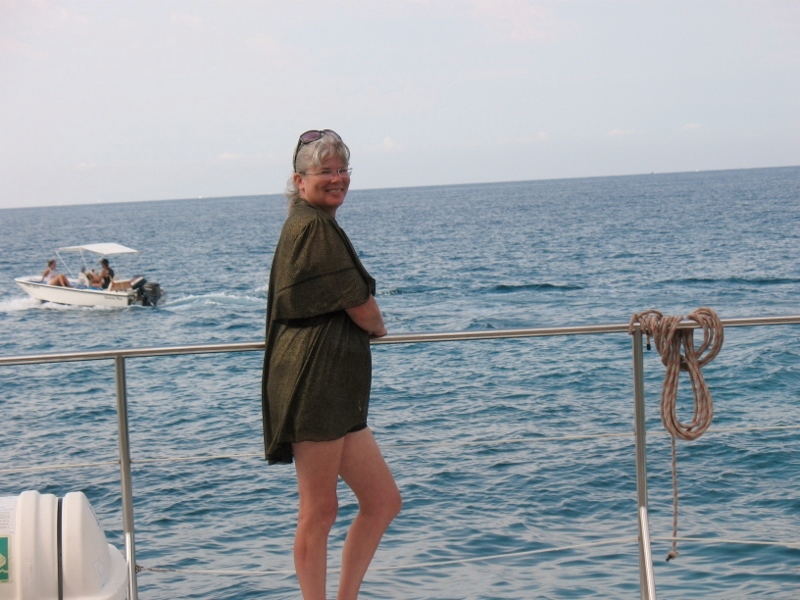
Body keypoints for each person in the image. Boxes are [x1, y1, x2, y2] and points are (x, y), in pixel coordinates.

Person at [261, 129, 401, 600]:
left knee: (382, 501)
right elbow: (360, 305)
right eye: (325, 171)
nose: (338, 179)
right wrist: (378, 326)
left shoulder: (311, 223)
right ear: (299, 181)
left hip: (334, 391)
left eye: (343, 170)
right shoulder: (313, 227)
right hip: (313, 385)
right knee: (319, 511)